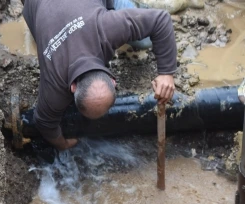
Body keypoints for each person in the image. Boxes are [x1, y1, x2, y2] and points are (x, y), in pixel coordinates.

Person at [22, 0, 177, 150]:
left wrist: (166, 73)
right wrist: (62, 144)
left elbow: (161, 20)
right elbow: (43, 121)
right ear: (113, 80)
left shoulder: (107, 28)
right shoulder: (54, 83)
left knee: (144, 42)